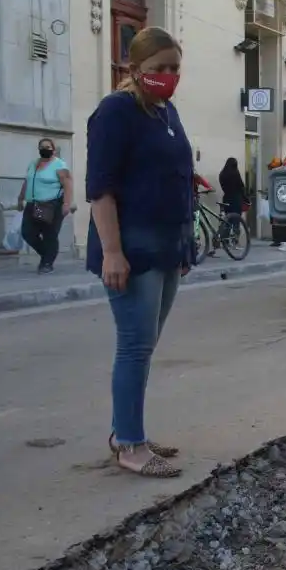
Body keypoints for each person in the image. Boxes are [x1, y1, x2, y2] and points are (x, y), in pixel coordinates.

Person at [86, 26, 193, 479]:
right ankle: (129, 445)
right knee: (134, 346)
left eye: (174, 68)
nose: (168, 76)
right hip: (133, 249)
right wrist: (112, 252)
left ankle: (128, 432)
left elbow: (179, 176)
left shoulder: (166, 113)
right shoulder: (115, 112)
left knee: (145, 347)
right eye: (158, 69)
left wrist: (185, 245)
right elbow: (100, 189)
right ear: (134, 69)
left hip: (167, 247)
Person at [17, 138, 73, 273]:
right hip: (33, 203)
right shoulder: (33, 164)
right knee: (28, 233)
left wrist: (66, 204)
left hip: (51, 204)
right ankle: (47, 254)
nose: (45, 149)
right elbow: (27, 181)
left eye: (48, 147)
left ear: (53, 149)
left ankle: (47, 263)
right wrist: (21, 198)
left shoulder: (59, 165)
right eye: (42, 147)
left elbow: (67, 184)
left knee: (49, 234)